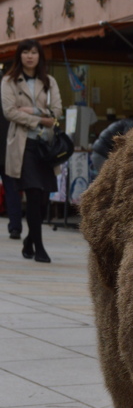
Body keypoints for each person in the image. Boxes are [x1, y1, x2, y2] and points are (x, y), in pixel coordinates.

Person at [1, 38, 63, 263]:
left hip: (46, 146)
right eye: (25, 52)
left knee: (44, 196)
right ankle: (39, 247)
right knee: (34, 193)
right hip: (23, 144)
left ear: (40, 56)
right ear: (19, 55)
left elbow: (56, 111)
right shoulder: (9, 81)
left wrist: (32, 110)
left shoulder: (49, 81)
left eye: (34, 52)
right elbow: (9, 111)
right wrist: (39, 119)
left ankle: (29, 240)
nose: (29, 56)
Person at [0, 106, 22, 240]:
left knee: (12, 192)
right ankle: (15, 227)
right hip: (8, 153)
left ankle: (15, 227)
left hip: (8, 152)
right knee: (12, 191)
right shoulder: (11, 101)